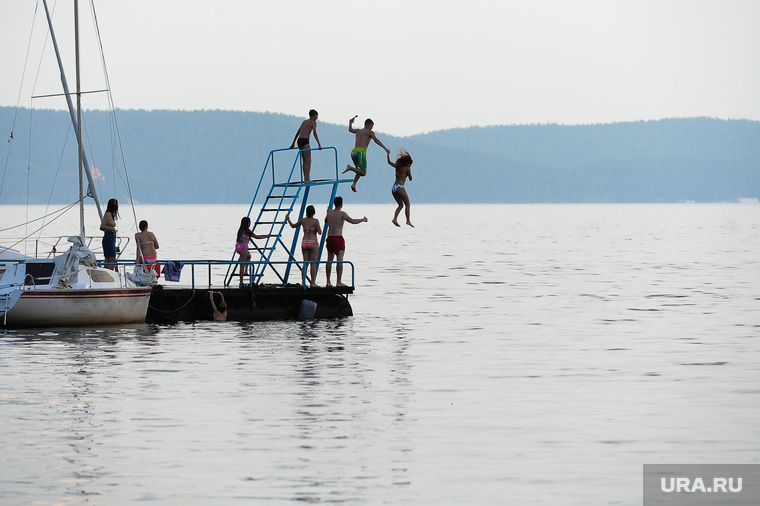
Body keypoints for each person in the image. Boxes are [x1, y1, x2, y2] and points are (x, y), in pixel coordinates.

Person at [324, 196, 367, 287]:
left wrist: (328, 212)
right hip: (338, 238)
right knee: (339, 259)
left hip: (330, 238)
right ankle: (338, 282)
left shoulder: (329, 213)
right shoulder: (342, 214)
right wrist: (362, 220)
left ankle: (328, 281)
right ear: (341, 204)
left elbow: (325, 221)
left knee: (329, 260)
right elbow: (353, 221)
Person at [342, 116, 391, 192]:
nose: (372, 128)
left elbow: (350, 130)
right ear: (369, 125)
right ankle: (350, 168)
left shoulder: (359, 131)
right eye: (372, 126)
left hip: (354, 152)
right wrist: (385, 148)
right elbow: (376, 140)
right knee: (363, 173)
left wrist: (350, 122)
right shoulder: (369, 132)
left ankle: (354, 184)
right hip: (361, 152)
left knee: (359, 169)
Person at [286, 205, 322, 287]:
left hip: (304, 242)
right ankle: (312, 283)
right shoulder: (315, 221)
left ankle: (303, 283)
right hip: (312, 242)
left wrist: (288, 219)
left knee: (305, 263)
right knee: (313, 263)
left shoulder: (303, 220)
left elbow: (293, 226)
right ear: (314, 212)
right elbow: (320, 232)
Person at [235, 217, 274, 286]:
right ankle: (241, 282)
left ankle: (246, 271)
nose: (250, 223)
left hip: (239, 247)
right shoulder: (247, 230)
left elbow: (243, 237)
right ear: (247, 223)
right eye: (249, 222)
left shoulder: (240, 230)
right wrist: (267, 236)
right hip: (243, 248)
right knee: (242, 265)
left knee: (249, 256)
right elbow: (256, 236)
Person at [289, 109, 322, 183]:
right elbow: (315, 133)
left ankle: (305, 178)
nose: (317, 117)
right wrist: (319, 144)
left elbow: (298, 132)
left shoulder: (304, 122)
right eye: (317, 116)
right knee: (309, 160)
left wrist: (293, 143)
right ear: (314, 116)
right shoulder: (313, 122)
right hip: (305, 140)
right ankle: (307, 179)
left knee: (304, 160)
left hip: (299, 140)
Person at [387, 148, 414, 227]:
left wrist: (388, 154)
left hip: (394, 188)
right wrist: (409, 172)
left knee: (400, 205)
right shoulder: (407, 168)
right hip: (400, 187)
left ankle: (395, 219)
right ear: (408, 163)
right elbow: (411, 179)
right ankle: (408, 221)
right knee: (408, 204)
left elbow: (389, 162)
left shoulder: (397, 166)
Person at [99, 198, 119, 271]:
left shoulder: (111, 215)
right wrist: (112, 229)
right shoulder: (108, 214)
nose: (118, 206)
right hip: (108, 238)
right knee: (112, 259)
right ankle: (110, 273)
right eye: (117, 204)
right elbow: (102, 226)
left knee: (107, 260)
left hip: (111, 238)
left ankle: (106, 274)